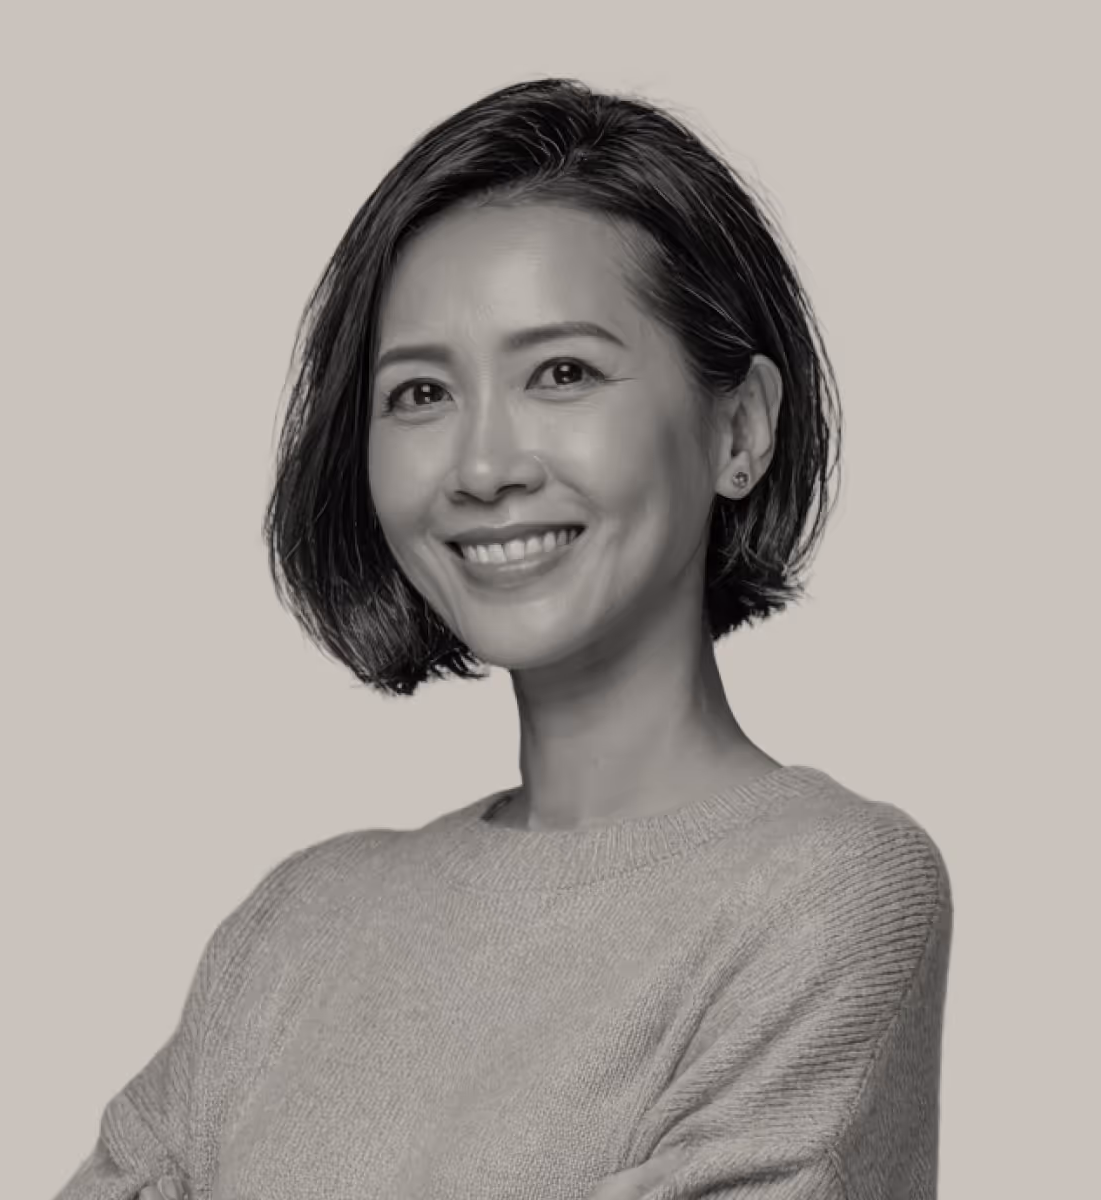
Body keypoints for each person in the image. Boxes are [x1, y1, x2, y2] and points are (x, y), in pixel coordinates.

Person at [56, 77, 953, 1200]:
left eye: (563, 374)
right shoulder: (294, 924)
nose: (483, 467)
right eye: (421, 392)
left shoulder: (826, 892)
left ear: (741, 428)